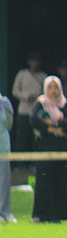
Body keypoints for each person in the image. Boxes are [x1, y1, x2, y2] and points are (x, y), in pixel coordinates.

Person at [29, 76, 67, 223]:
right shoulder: (40, 104)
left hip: (64, 148)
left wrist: (57, 122)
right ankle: (41, 214)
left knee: (62, 181)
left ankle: (58, 215)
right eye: (50, 87)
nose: (53, 90)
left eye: (56, 87)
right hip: (46, 148)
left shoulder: (66, 104)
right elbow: (33, 120)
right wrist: (50, 129)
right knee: (44, 180)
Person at [11, 52, 47, 164]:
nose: (35, 63)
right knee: (22, 138)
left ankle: (35, 164)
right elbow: (15, 91)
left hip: (37, 112)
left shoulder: (43, 76)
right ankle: (19, 165)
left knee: (37, 138)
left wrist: (38, 96)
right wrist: (26, 96)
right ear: (28, 62)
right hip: (23, 111)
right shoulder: (22, 74)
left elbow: (47, 93)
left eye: (37, 61)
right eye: (33, 61)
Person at [0, 88, 14, 223]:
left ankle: (4, 213)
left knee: (3, 181)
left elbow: (9, 124)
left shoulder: (5, 103)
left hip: (2, 147)